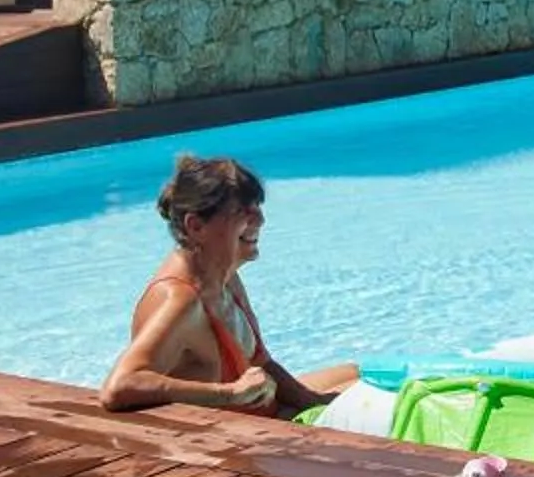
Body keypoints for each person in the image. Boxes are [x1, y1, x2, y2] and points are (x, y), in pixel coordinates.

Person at [100, 154, 358, 418]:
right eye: (242, 211)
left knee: (357, 375)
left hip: (263, 413)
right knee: (377, 401)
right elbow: (119, 386)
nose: (259, 220)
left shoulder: (225, 275)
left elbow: (261, 362)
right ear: (196, 226)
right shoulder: (180, 299)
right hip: (235, 440)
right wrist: (231, 393)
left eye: (257, 207)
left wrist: (312, 401)